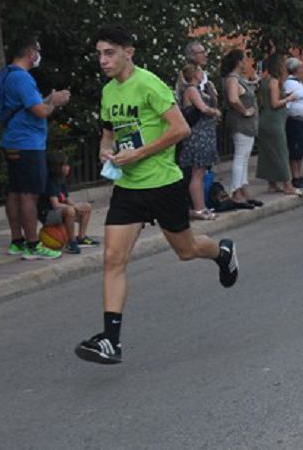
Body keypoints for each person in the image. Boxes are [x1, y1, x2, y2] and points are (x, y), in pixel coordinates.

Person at [75, 26, 237, 365]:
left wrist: (139, 153)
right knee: (112, 260)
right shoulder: (109, 92)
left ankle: (222, 252)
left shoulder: (149, 84)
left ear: (128, 52)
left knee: (187, 249)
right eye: (100, 53)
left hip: (163, 184)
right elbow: (107, 135)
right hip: (129, 188)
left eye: (109, 53)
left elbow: (181, 129)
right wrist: (107, 151)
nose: (102, 60)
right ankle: (111, 341)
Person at [0, 35, 69, 260]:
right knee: (28, 195)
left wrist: (46, 99)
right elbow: (39, 111)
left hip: (11, 141)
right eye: (38, 51)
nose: (39, 55)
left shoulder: (5, 76)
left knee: (14, 192)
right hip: (28, 144)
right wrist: (54, 101)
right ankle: (33, 245)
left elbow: (24, 106)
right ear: (31, 53)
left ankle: (17, 241)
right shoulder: (23, 79)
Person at [177, 62, 221, 219]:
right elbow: (203, 108)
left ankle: (202, 206)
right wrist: (215, 112)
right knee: (198, 173)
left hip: (204, 134)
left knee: (200, 173)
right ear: (195, 74)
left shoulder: (201, 89)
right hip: (198, 135)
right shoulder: (191, 90)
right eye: (200, 71)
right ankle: (199, 208)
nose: (203, 74)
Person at [256, 53, 301, 196]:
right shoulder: (274, 81)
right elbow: (275, 103)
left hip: (266, 120)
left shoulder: (264, 80)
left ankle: (272, 183)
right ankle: (288, 184)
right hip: (273, 121)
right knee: (281, 151)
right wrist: (289, 98)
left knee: (268, 153)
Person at [222, 49, 261, 206]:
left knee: (244, 157)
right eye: (244, 60)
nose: (246, 63)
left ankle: (243, 188)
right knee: (240, 157)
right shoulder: (233, 79)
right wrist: (244, 111)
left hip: (245, 124)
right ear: (238, 62)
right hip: (241, 122)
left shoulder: (238, 78)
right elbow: (233, 98)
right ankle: (236, 191)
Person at [39, 151, 96, 254]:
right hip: (47, 214)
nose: (68, 167)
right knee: (70, 211)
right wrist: (73, 208)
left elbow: (66, 199)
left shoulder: (61, 179)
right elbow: (55, 204)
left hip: (59, 212)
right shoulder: (50, 182)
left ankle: (81, 237)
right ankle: (71, 242)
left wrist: (77, 206)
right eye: (64, 165)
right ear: (56, 167)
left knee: (87, 207)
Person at [283, 57, 303, 188]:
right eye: (301, 68)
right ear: (296, 70)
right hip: (295, 121)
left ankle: (299, 175)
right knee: (295, 150)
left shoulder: (299, 83)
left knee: (301, 150)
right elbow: (288, 99)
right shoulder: (289, 83)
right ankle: (295, 176)